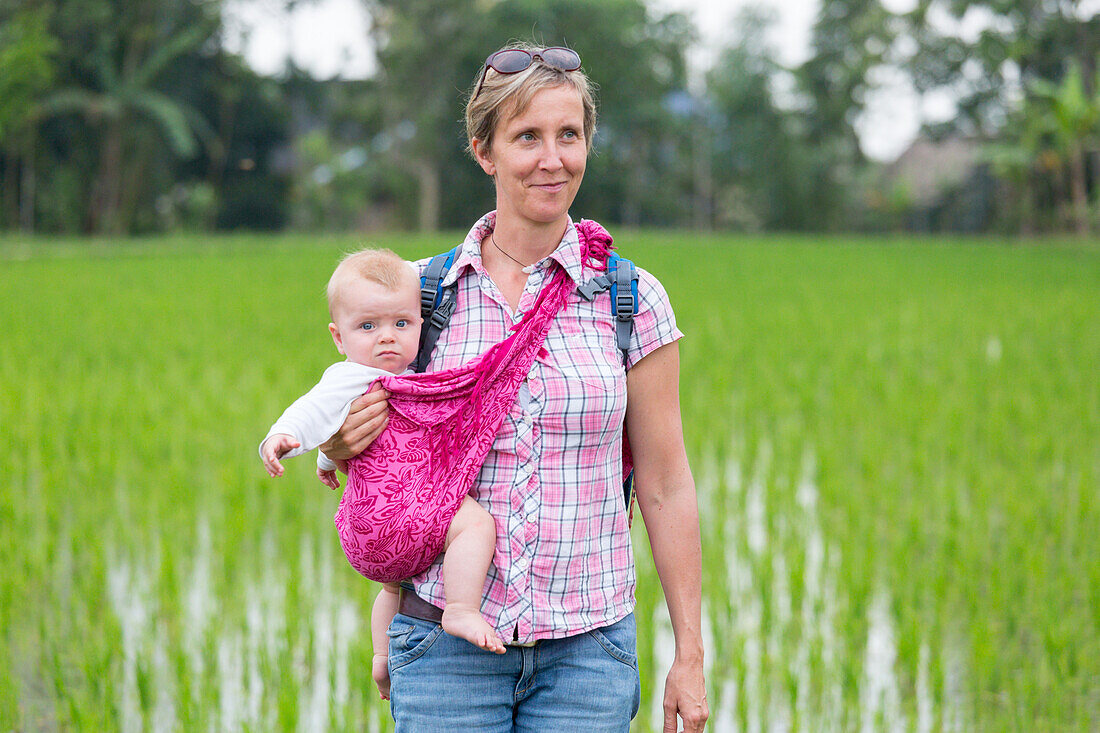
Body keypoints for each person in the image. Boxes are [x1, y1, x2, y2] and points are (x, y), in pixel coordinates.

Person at [320, 43, 708, 732]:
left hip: (588, 650)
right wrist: (338, 439)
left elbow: (666, 482)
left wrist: (690, 652)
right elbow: (368, 444)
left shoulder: (630, 299)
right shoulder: (421, 297)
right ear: (484, 151)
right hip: (444, 644)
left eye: (569, 135)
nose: (552, 158)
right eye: (527, 136)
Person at [259, 248, 505, 701]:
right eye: (368, 327)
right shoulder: (349, 375)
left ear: (419, 323)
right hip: (408, 511)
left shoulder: (409, 371)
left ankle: (380, 656)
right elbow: (315, 410)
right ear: (338, 336)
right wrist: (283, 437)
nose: (386, 338)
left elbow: (343, 429)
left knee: (393, 584)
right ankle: (461, 608)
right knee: (476, 524)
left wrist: (327, 462)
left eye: (401, 324)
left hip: (368, 529)